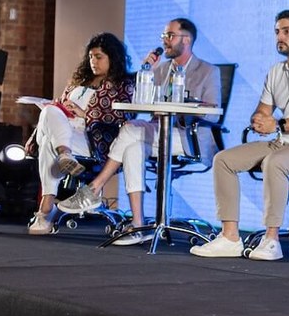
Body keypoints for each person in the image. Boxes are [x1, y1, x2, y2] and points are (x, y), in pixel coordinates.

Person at [57, 17, 221, 246]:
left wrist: (188, 105)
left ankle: (94, 188)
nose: (165, 41)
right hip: (159, 131)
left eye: (170, 36)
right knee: (132, 143)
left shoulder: (207, 71)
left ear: (187, 39)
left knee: (131, 130)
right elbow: (139, 104)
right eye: (163, 36)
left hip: (189, 137)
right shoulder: (160, 69)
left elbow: (213, 113)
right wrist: (146, 71)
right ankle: (138, 224)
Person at [190, 10, 289, 261]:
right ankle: (229, 237)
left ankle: (272, 240)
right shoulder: (276, 71)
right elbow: (263, 110)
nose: (279, 37)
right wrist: (259, 119)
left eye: (286, 31)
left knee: (275, 162)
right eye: (277, 32)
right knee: (223, 160)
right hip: (282, 142)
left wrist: (278, 123)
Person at [28, 33, 134, 236]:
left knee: (50, 138)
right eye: (91, 56)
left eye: (99, 57)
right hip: (64, 134)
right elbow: (56, 110)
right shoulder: (80, 81)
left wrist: (85, 115)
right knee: (50, 111)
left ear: (113, 57)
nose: (93, 61)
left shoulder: (123, 84)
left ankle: (46, 208)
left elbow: (124, 116)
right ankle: (64, 155)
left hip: (93, 139)